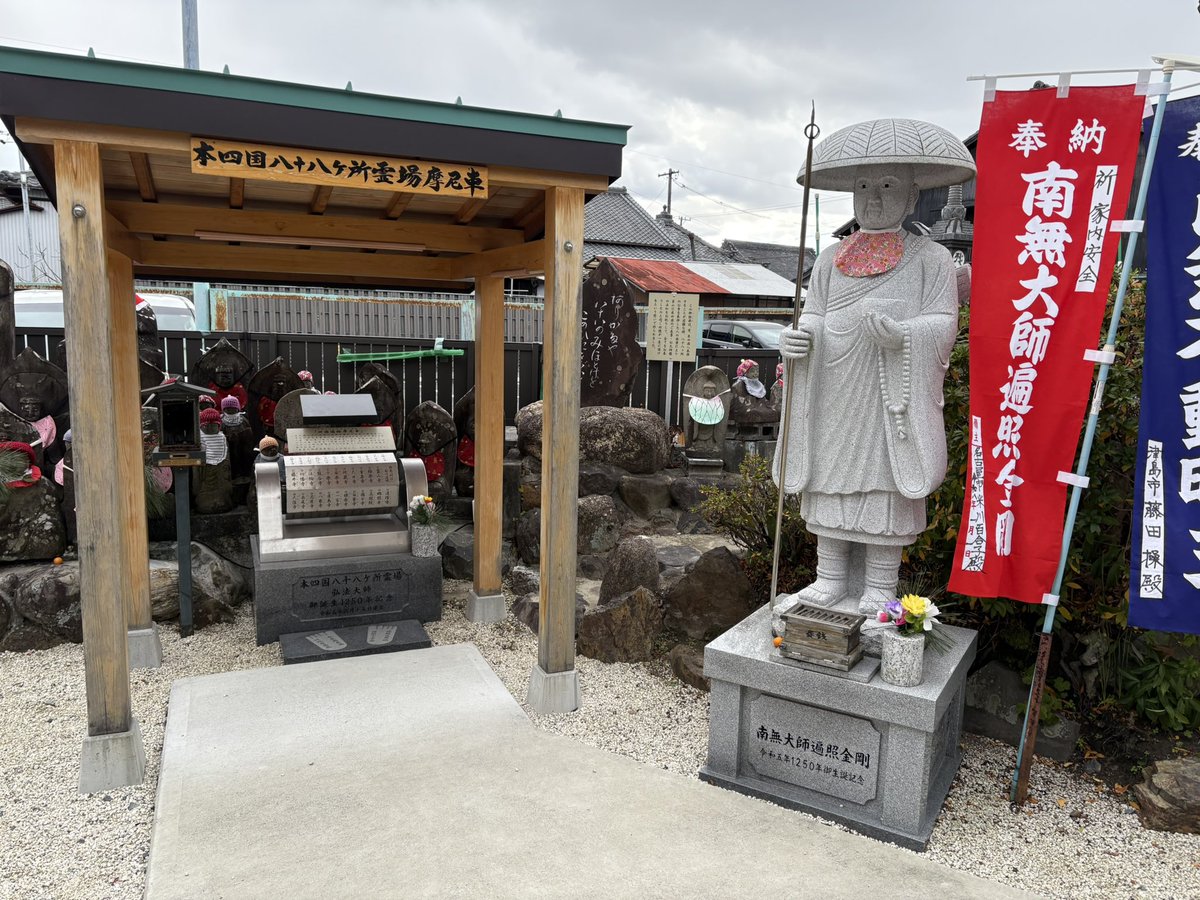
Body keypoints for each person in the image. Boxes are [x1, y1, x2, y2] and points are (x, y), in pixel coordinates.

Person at [773, 118, 974, 623]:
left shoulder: (930, 259)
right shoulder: (829, 259)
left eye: (887, 186)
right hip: (834, 388)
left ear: (911, 198)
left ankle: (880, 584)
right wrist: (798, 339)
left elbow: (944, 322)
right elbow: (814, 313)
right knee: (829, 480)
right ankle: (830, 577)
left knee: (883, 483)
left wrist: (905, 335)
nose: (874, 198)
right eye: (864, 186)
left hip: (891, 393)